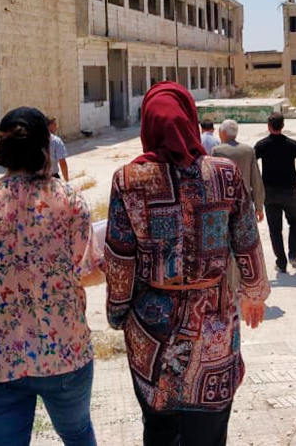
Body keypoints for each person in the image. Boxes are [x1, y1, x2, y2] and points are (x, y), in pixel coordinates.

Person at [105, 82, 270, 446]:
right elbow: (246, 241)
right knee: (208, 431)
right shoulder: (224, 174)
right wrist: (255, 292)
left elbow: (120, 256)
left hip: (152, 330)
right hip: (213, 323)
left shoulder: (128, 180)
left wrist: (117, 313)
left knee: (160, 427)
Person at [0, 107, 97, 446]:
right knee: (77, 435)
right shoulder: (69, 199)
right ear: (47, 148)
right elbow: (85, 272)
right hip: (62, 351)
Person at [254, 112, 296, 274]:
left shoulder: (261, 145)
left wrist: (255, 185)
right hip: (290, 192)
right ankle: (293, 255)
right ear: (283, 126)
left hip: (269, 193)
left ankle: (281, 263)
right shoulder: (292, 144)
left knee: (274, 229)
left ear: (268, 126)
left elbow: (252, 164)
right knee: (295, 222)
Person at [212, 119, 265, 222]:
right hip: (245, 202)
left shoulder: (216, 151)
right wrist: (259, 207)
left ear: (222, 133)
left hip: (224, 203)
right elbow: (256, 181)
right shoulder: (248, 150)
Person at [48, 116, 69, 180]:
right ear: (49, 126)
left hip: (36, 180)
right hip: (52, 178)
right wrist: (66, 181)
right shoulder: (56, 140)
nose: (56, 128)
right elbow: (62, 163)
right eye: (54, 125)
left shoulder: (34, 140)